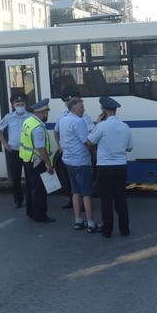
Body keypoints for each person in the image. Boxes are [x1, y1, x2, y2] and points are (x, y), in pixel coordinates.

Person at [87, 96, 133, 238]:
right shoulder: (125, 126)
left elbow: (89, 142)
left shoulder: (101, 126)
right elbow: (129, 148)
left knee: (106, 200)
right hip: (121, 167)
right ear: (115, 110)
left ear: (104, 111)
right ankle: (124, 229)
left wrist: (97, 124)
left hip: (105, 167)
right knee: (120, 198)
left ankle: (107, 231)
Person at [59, 97, 100, 233]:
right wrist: (94, 154)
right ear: (75, 109)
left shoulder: (63, 120)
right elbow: (87, 142)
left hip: (68, 161)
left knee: (75, 192)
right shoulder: (79, 121)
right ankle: (91, 223)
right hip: (81, 161)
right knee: (87, 193)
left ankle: (78, 220)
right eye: (82, 107)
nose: (84, 109)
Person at [19, 99, 56, 222]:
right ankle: (40, 215)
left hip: (27, 158)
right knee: (39, 190)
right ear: (41, 112)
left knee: (31, 187)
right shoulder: (38, 127)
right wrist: (48, 164)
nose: (47, 114)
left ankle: (31, 212)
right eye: (46, 112)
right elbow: (41, 148)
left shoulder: (28, 121)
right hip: (37, 161)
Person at [0, 93, 33, 209]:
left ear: (26, 105)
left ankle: (31, 199)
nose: (20, 106)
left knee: (30, 177)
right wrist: (5, 144)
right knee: (15, 177)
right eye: (18, 104)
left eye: (22, 104)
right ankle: (18, 199)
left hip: (28, 151)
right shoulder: (9, 117)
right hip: (15, 151)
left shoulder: (31, 116)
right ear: (13, 105)